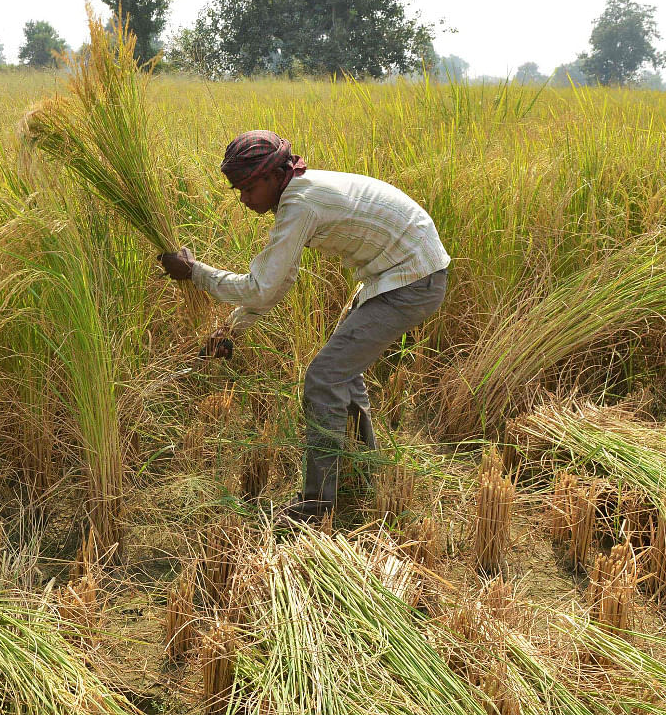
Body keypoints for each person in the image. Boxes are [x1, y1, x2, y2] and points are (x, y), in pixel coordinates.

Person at [159, 130, 450, 525]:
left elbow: (262, 289)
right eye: (237, 189)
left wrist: (194, 273)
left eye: (248, 188)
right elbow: (278, 284)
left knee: (324, 376)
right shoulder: (298, 195)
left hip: (412, 279)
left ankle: (317, 507)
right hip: (401, 273)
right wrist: (231, 330)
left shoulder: (300, 204)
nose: (244, 199)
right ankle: (363, 470)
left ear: (275, 175)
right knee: (342, 372)